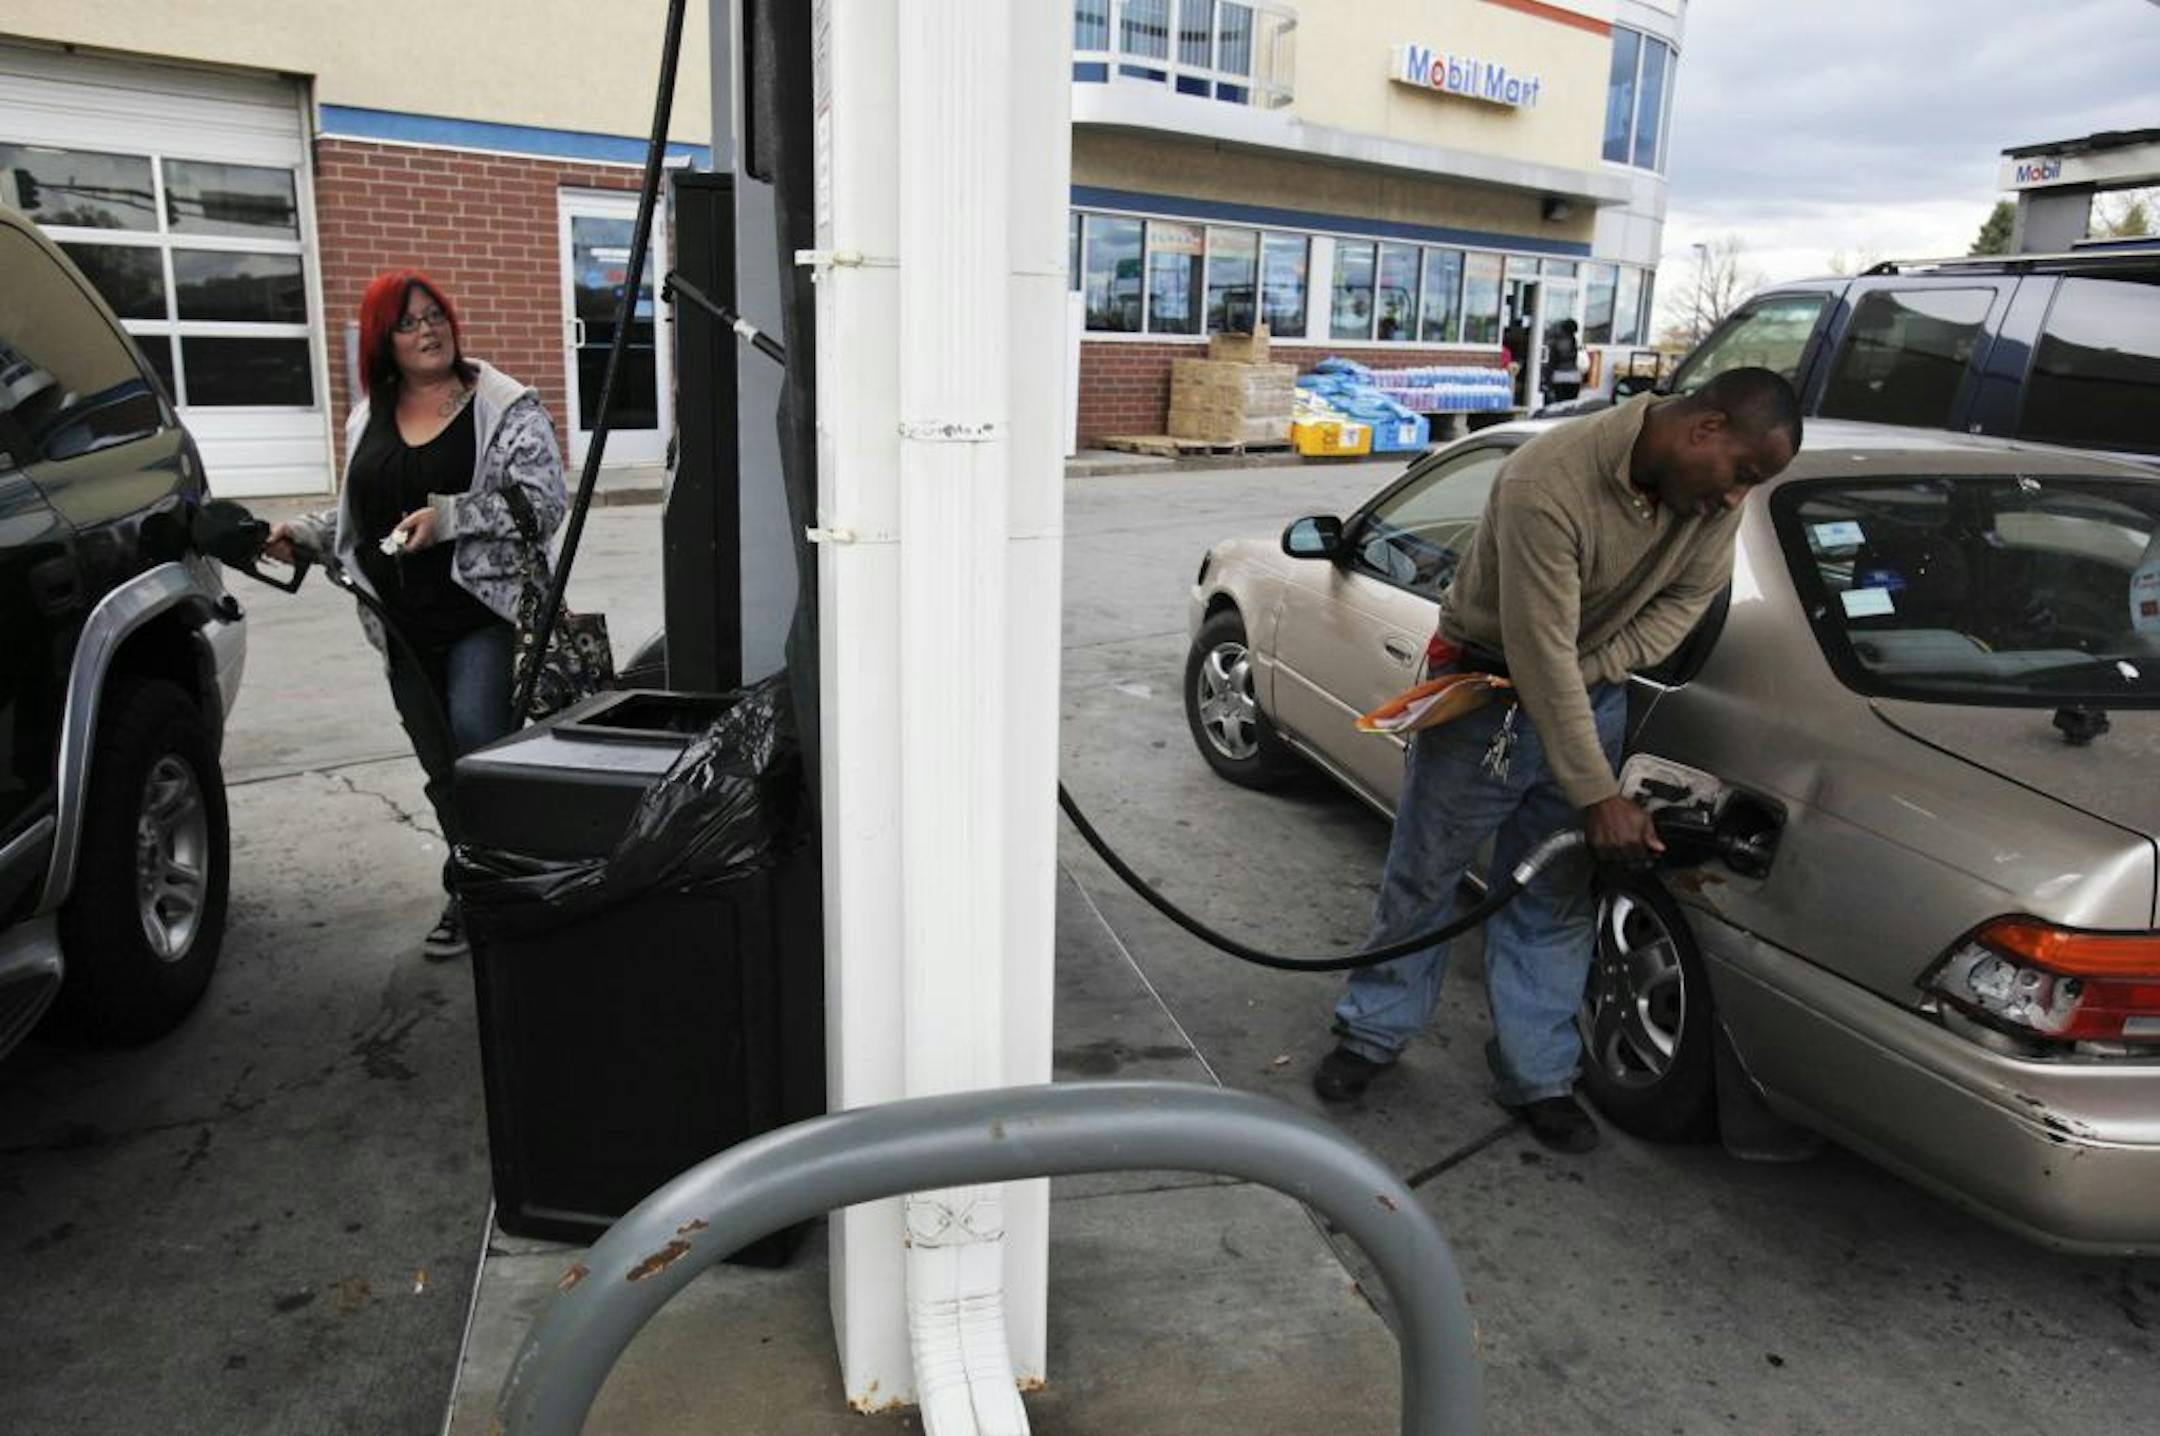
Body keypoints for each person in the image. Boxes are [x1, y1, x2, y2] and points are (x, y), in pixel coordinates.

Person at [1310, 367, 1802, 1153]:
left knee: (1552, 899)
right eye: (1743, 475)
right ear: (1705, 429)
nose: (1735, 499)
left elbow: (1680, 608)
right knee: (1425, 880)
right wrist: (1599, 794)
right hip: (1484, 698)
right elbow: (1537, 652)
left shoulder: (1708, 499)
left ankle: (1536, 1075)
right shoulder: (1548, 479)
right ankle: (1371, 1034)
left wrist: (1599, 666)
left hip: (1586, 699)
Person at [267, 271, 567, 960]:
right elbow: (364, 514)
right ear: (384, 340)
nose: (428, 330)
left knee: (478, 749)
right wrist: (306, 534)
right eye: (408, 323)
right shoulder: (370, 412)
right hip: (401, 623)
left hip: (482, 612)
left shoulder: (503, 403)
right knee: (441, 768)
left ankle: (496, 890)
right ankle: (475, 879)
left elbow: (544, 504)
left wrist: (452, 518)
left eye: (435, 315)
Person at [1545, 318, 1582, 402]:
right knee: (1571, 404)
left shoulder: (1558, 342)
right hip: (1574, 376)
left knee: (1560, 404)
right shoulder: (1573, 341)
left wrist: (1547, 379)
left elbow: (1553, 362)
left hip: (1560, 376)